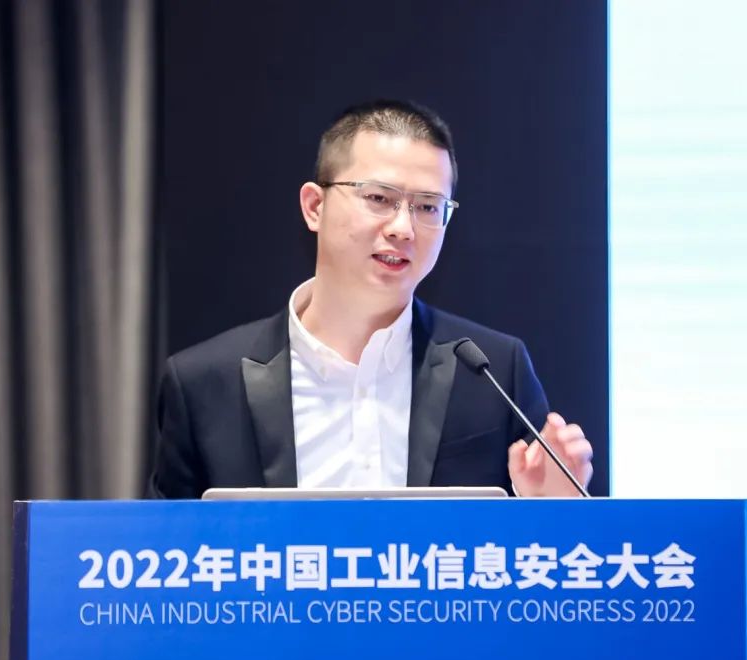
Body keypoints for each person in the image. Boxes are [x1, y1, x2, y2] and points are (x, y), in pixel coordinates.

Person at [149, 100, 592, 499]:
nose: (403, 228)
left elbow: (549, 548)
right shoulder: (205, 384)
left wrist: (553, 511)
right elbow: (164, 553)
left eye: (427, 206)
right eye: (379, 198)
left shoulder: (492, 372)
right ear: (314, 207)